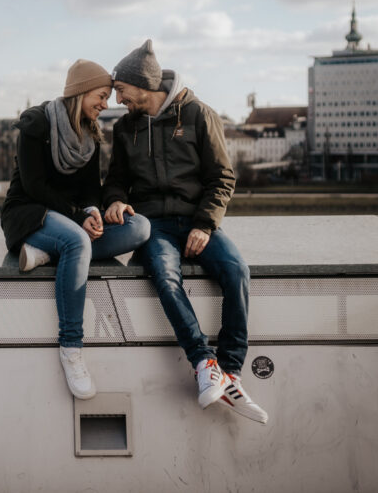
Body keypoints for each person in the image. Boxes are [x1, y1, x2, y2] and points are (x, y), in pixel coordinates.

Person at [102, 40, 268, 423]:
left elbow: (222, 178)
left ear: (142, 85)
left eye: (122, 92)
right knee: (164, 275)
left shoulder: (198, 115)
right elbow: (115, 181)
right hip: (154, 224)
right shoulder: (125, 129)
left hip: (197, 219)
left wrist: (205, 225)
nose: (119, 101)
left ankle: (230, 372)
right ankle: (203, 363)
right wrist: (113, 199)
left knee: (237, 271)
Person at [1, 59, 150, 400]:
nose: (106, 103)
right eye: (101, 95)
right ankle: (71, 347)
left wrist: (95, 210)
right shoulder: (36, 123)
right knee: (77, 241)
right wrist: (77, 217)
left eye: (110, 97)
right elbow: (34, 185)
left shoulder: (91, 134)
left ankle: (47, 254)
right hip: (30, 212)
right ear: (80, 92)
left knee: (139, 228)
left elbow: (89, 189)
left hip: (71, 221)